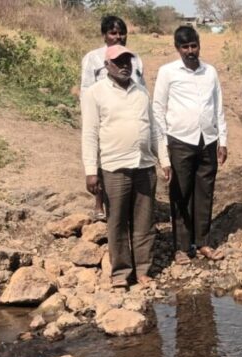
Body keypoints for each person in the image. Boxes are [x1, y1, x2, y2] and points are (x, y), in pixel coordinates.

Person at [80, 45, 167, 288]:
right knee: (117, 222)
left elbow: (154, 130)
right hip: (114, 167)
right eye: (119, 62)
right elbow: (89, 134)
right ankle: (120, 273)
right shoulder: (95, 93)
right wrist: (90, 171)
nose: (125, 66)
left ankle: (142, 270)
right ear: (107, 66)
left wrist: (165, 160)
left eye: (128, 61)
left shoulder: (141, 92)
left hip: (144, 166)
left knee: (144, 222)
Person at [153, 26, 229, 263]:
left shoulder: (210, 72)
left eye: (193, 46)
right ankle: (182, 248)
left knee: (205, 193)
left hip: (207, 140)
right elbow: (157, 110)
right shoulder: (168, 73)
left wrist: (222, 141)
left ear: (199, 45)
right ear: (177, 49)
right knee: (181, 193)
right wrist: (163, 152)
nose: (190, 51)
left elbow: (218, 107)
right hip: (180, 141)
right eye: (185, 47)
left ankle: (204, 243)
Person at [80, 15, 146, 222]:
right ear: (104, 35)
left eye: (121, 33)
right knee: (101, 159)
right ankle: (99, 203)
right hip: (103, 114)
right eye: (113, 33)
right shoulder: (93, 58)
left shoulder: (134, 58)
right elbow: (85, 89)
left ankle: (125, 204)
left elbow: (141, 87)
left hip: (128, 113)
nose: (118, 37)